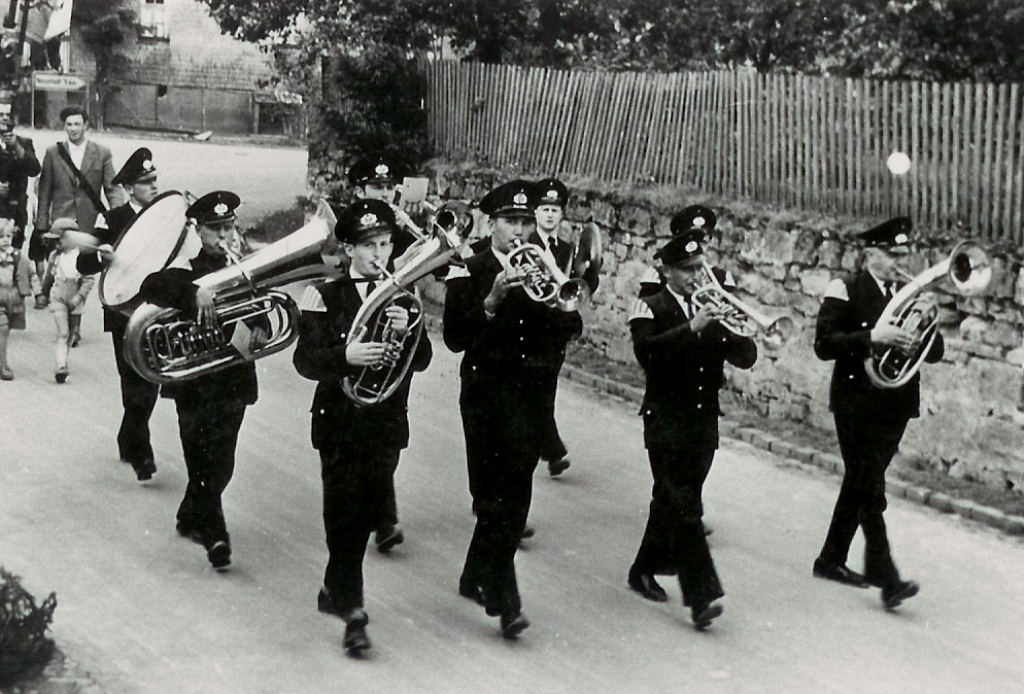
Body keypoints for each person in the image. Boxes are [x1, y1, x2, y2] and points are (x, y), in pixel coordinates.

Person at [293, 199, 432, 656]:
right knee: (344, 515)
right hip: (338, 422)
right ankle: (353, 611)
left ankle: (336, 591)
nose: (379, 255)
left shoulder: (401, 296)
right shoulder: (324, 294)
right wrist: (345, 357)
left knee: (368, 510)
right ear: (349, 248)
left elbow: (424, 360)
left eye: (386, 244)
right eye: (369, 245)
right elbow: (305, 360)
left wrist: (408, 327)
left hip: (385, 422)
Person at [443, 180, 582, 639]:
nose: (520, 231)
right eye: (511, 221)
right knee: (491, 497)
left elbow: (571, 323)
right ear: (491, 223)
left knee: (513, 503)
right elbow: (454, 338)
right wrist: (493, 299)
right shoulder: (470, 267)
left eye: (526, 221)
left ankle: (475, 577)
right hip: (484, 393)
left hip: (527, 395)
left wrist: (555, 299)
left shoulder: (547, 264)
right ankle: (506, 604)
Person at [625, 222, 757, 629]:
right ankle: (701, 596)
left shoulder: (713, 304)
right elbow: (649, 355)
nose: (698, 275)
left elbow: (746, 357)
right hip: (664, 417)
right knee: (683, 505)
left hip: (702, 418)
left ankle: (643, 569)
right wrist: (692, 328)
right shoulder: (650, 306)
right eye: (687, 268)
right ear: (666, 270)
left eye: (701, 266)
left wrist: (737, 327)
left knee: (676, 499)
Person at [812, 217, 940, 610]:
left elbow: (934, 354)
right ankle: (886, 576)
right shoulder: (846, 288)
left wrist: (929, 322)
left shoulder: (910, 294)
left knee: (861, 481)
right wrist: (873, 337)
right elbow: (824, 344)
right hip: (855, 402)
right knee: (870, 486)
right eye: (891, 254)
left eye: (903, 254)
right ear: (870, 254)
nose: (899, 261)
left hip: (895, 403)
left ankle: (830, 560)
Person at [136, 191, 267, 571]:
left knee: (222, 463)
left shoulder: (246, 269)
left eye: (229, 226)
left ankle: (191, 513)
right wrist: (193, 292)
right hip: (194, 384)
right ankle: (215, 534)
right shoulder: (186, 269)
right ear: (198, 229)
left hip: (234, 379)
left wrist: (260, 330)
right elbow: (151, 285)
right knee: (200, 456)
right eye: (216, 228)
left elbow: (261, 311)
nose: (224, 234)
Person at [345, 154, 420, 552]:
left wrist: (404, 328)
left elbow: (424, 266)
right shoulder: (345, 230)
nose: (384, 193)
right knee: (361, 455)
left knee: (386, 448)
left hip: (391, 375)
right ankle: (383, 518)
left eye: (388, 186)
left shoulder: (399, 233)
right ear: (360, 190)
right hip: (351, 369)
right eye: (375, 187)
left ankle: (382, 515)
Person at [77, 147, 161, 482]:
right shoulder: (112, 220)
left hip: (156, 312)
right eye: (146, 182)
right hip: (123, 312)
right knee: (133, 384)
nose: (154, 186)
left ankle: (129, 437)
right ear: (129, 188)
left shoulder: (167, 217)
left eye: (156, 180)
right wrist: (102, 257)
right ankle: (142, 453)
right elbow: (84, 262)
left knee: (151, 383)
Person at [33, 105, 119, 309]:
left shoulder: (101, 153)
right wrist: (42, 225)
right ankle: (53, 300)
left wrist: (119, 218)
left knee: (82, 268)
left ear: (86, 125)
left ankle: (75, 315)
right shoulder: (53, 153)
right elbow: (44, 192)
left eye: (77, 124)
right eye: (69, 124)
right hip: (61, 221)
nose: (73, 129)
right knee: (59, 265)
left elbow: (112, 188)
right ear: (64, 127)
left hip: (87, 220)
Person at [531, 177, 577, 477]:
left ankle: (549, 448)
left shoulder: (566, 249)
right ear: (535, 212)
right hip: (529, 327)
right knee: (537, 393)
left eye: (555, 209)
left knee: (545, 390)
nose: (550, 215)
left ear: (562, 215)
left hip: (554, 331)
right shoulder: (526, 244)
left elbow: (574, 288)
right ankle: (552, 449)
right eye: (545, 208)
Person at [41, 218, 96, 384]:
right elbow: (49, 277)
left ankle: (63, 359)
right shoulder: (54, 257)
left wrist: (80, 296)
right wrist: (43, 293)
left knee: (72, 333)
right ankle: (61, 366)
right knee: (63, 332)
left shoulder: (82, 257)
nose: (57, 244)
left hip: (75, 296)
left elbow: (89, 280)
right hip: (58, 295)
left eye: (60, 240)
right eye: (54, 241)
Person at [638, 205, 716, 299]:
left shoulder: (719, 276)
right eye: (691, 242)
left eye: (703, 242)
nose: (697, 247)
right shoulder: (657, 275)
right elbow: (647, 307)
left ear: (709, 243)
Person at [0, 98, 41, 251]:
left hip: (16, 208)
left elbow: (34, 170)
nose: (5, 118)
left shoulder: (24, 142)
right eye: (1, 114)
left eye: (8, 115)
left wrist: (17, 147)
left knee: (14, 250)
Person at [0, 217, 33, 380]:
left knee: (5, 330)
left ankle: (2, 360)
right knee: (3, 329)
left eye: (8, 236)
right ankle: (3, 365)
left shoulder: (18, 256)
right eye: (0, 237)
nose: (5, 240)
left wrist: (40, 292)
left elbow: (31, 274)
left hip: (12, 299)